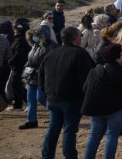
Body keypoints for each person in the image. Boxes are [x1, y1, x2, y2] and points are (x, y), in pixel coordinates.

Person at [38, 26, 96, 159]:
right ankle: (69, 156)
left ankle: (47, 156)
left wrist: (46, 92)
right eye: (80, 36)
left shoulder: (52, 53)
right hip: (71, 99)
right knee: (69, 130)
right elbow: (88, 77)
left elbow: (40, 75)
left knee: (53, 128)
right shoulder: (80, 53)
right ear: (76, 38)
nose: (81, 38)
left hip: (53, 98)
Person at [81, 42, 122, 159]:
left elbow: (85, 88)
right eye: (121, 54)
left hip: (95, 108)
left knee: (94, 135)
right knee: (111, 136)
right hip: (115, 108)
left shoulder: (94, 70)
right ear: (116, 56)